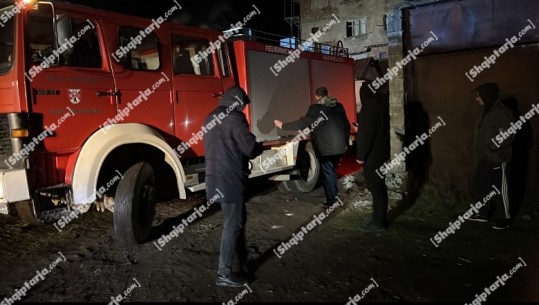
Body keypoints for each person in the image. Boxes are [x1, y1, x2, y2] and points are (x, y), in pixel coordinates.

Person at [204, 86, 263, 288]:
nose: (244, 109)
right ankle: (224, 273)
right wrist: (258, 145)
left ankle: (240, 261)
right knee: (233, 225)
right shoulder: (234, 118)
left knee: (236, 221)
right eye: (244, 105)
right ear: (237, 102)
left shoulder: (210, 117)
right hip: (230, 180)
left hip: (215, 179)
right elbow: (249, 147)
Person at [274, 87, 350, 207]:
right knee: (332, 171)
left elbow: (305, 122)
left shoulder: (316, 108)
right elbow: (346, 125)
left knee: (328, 172)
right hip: (339, 146)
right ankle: (334, 196)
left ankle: (332, 201)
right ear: (328, 94)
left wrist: (283, 126)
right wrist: (345, 143)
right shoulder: (339, 106)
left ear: (316, 97)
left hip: (326, 147)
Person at [469, 82, 514, 229]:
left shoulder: (501, 112)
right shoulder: (487, 111)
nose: (476, 99)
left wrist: (492, 147)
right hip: (485, 158)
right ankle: (483, 213)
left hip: (497, 158)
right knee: (483, 186)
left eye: (478, 95)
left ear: (487, 95)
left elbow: (508, 133)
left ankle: (504, 218)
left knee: (500, 189)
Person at [355, 84, 390, 232]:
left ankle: (377, 223)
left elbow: (367, 136)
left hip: (373, 155)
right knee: (379, 187)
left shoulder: (369, 108)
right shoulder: (380, 105)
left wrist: (361, 156)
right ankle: (379, 220)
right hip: (381, 152)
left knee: (376, 188)